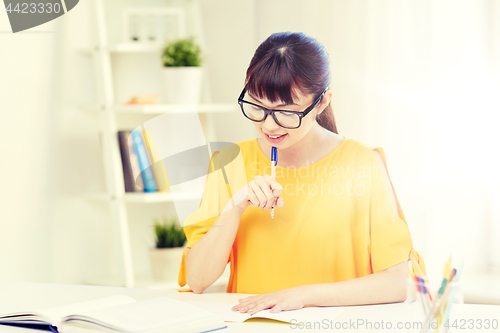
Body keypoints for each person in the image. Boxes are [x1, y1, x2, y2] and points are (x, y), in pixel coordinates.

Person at [178, 31, 425, 314]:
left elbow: (396, 283)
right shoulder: (229, 163)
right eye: (257, 106)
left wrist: (302, 295)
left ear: (321, 102)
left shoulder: (363, 162)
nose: (269, 126)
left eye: (286, 111)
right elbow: (197, 280)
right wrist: (235, 206)